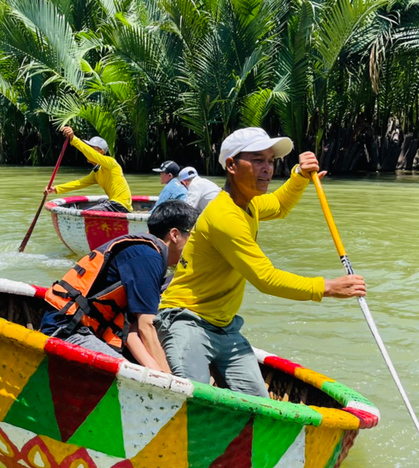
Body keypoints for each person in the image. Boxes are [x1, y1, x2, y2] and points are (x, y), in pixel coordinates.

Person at [154, 127, 366, 397]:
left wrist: (299, 176)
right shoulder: (224, 216)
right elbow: (266, 278)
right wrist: (328, 287)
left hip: (225, 326)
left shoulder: (249, 205)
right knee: (194, 401)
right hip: (187, 319)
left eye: (270, 161)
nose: (267, 168)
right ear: (231, 165)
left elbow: (278, 205)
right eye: (257, 160)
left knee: (260, 406)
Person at [40, 200, 199, 372]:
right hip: (66, 331)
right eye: (194, 237)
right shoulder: (148, 257)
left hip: (85, 330)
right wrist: (169, 379)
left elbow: (131, 329)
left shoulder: (150, 253)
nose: (197, 245)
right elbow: (147, 327)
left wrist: (158, 371)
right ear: (175, 235)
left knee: (140, 371)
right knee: (129, 376)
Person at [46, 126, 133, 212]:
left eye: (92, 148)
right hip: (114, 204)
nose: (88, 151)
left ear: (101, 152)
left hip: (119, 205)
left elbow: (90, 154)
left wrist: (73, 138)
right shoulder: (96, 173)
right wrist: (56, 189)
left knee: (86, 212)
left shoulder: (111, 163)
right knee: (98, 203)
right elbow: (79, 183)